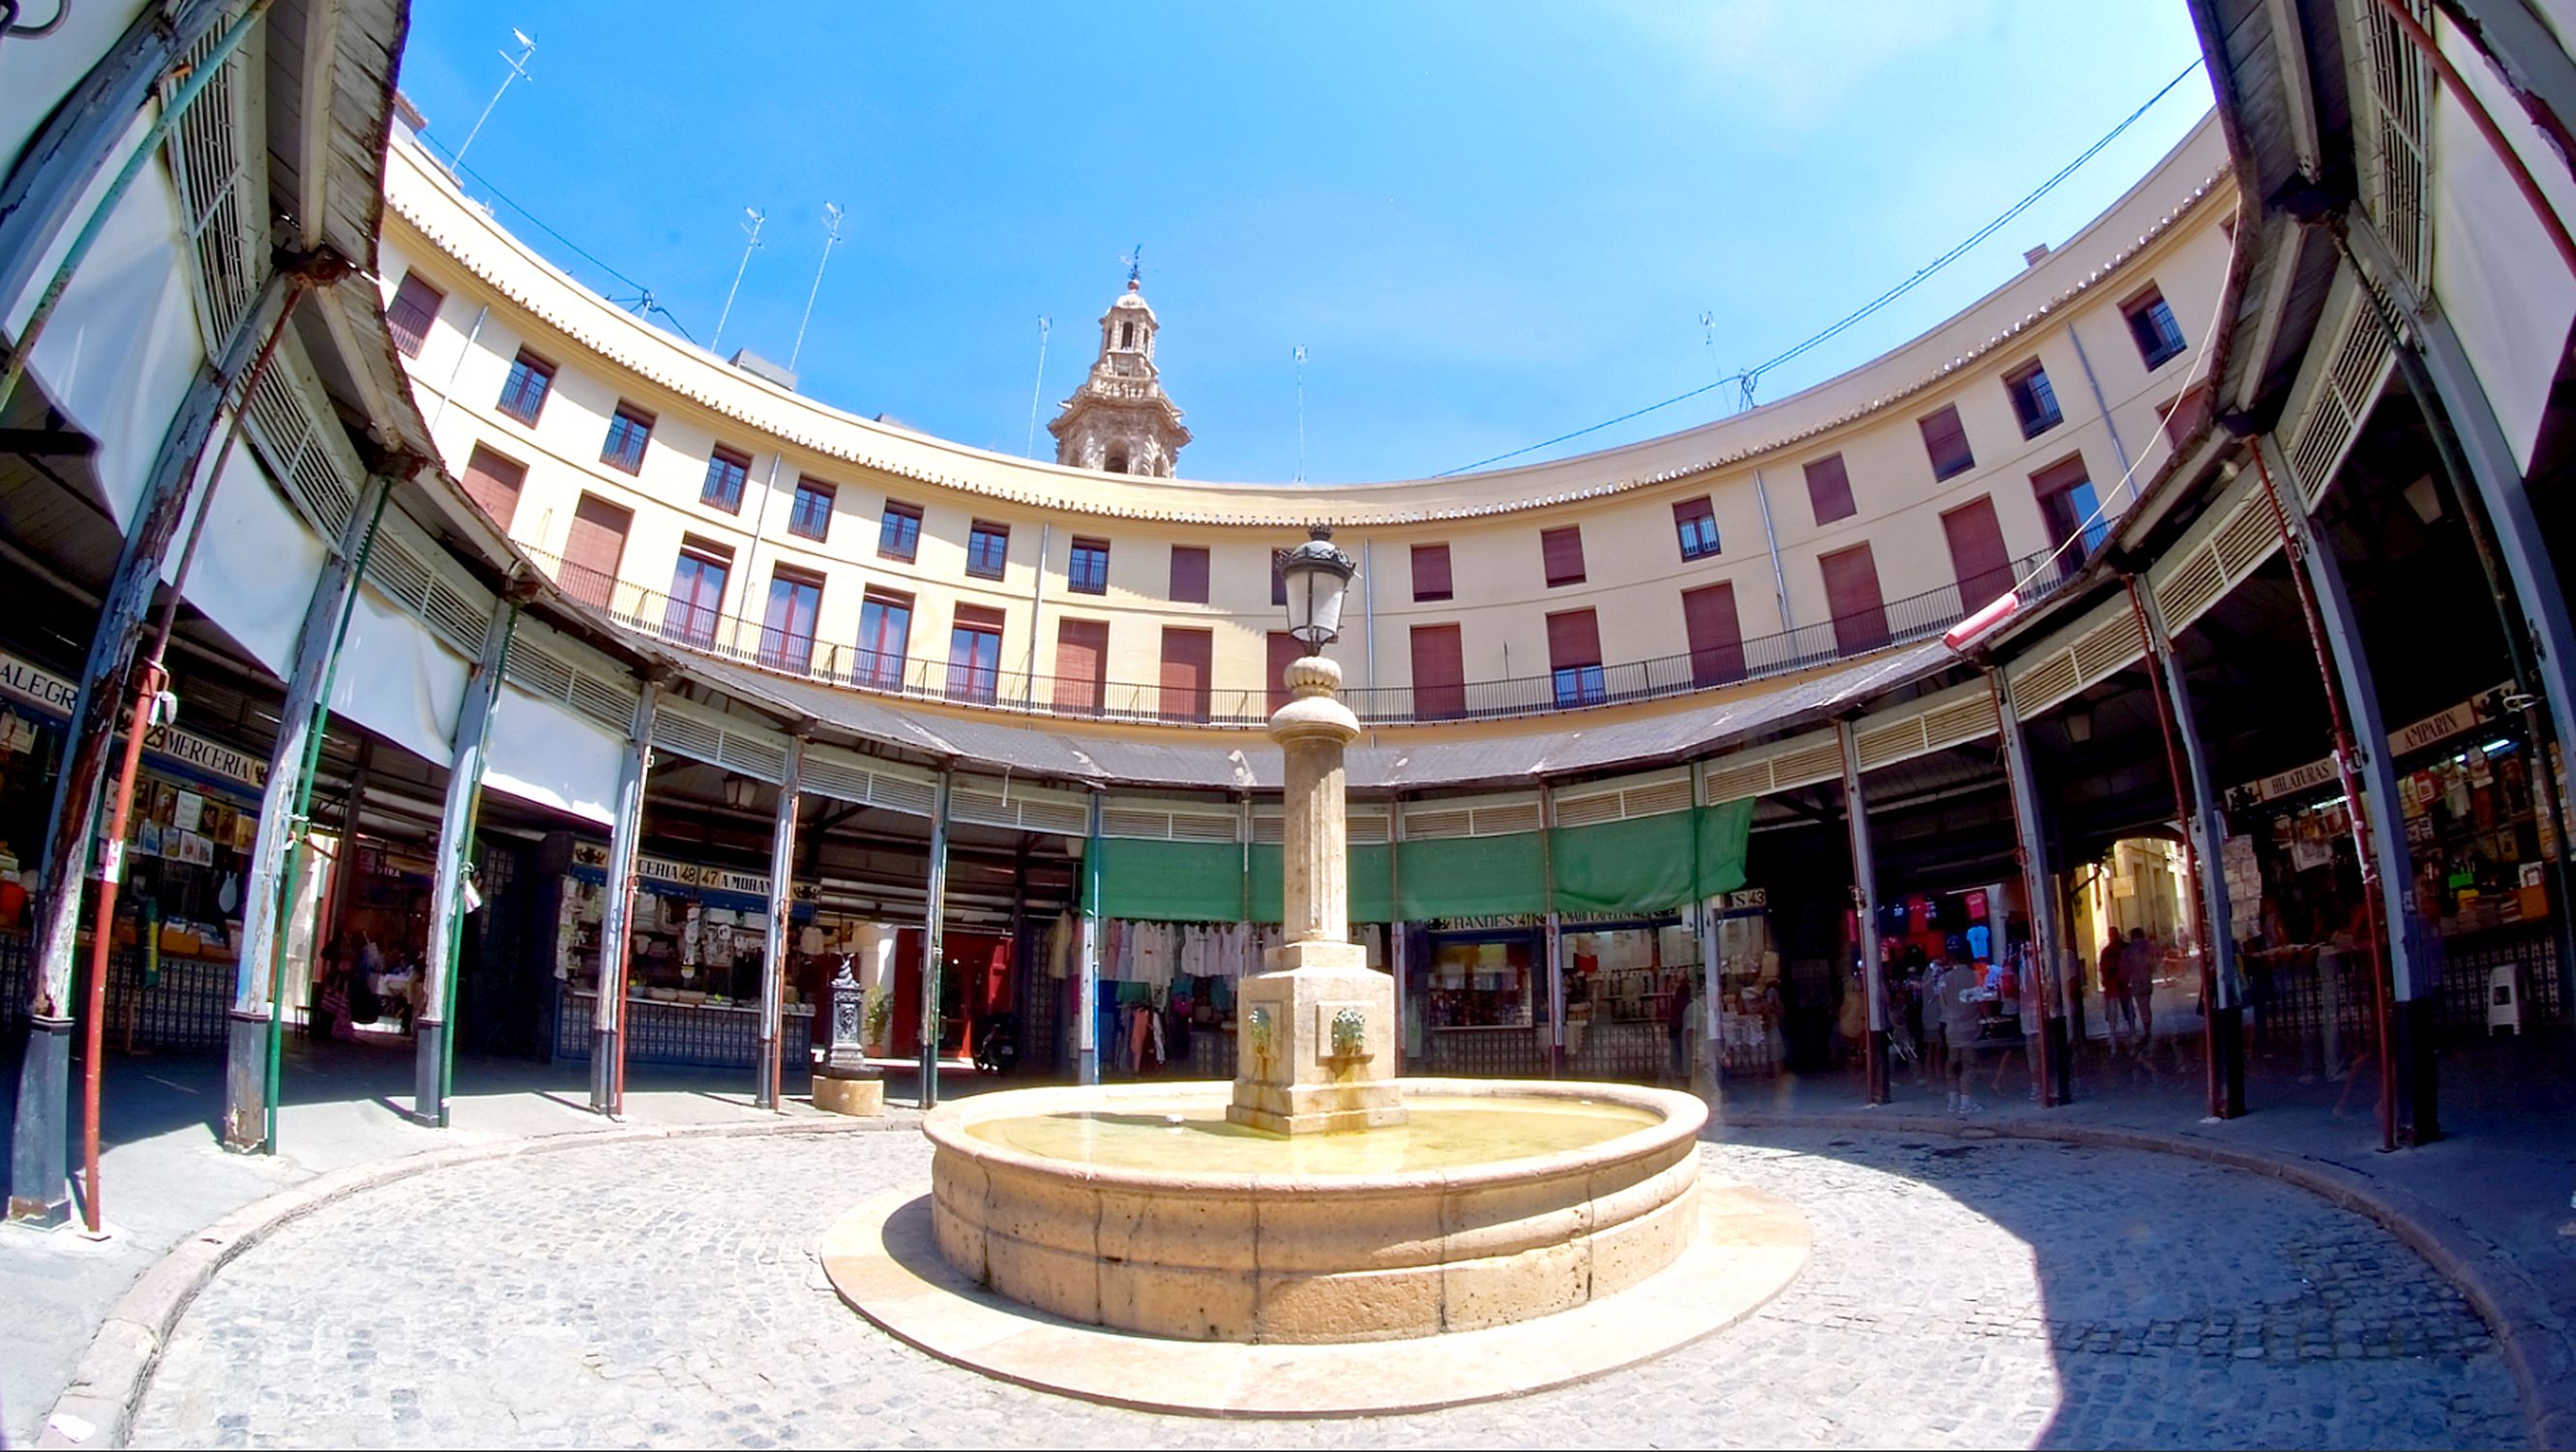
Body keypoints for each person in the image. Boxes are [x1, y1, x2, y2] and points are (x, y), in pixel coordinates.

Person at [1940, 955, 1990, 1114]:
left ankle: (1952, 1102)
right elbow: (1981, 1001)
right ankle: (1966, 1103)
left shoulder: (1944, 978)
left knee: (1952, 1064)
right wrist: (1989, 1019)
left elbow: (1943, 1002)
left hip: (1951, 1029)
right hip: (1969, 1028)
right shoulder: (1974, 976)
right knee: (1968, 1065)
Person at [2120, 928, 2161, 1060]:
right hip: (2147, 980)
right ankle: (2147, 1027)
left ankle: (2146, 1029)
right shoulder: (2149, 947)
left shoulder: (2128, 951)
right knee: (2146, 1005)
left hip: (2136, 982)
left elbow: (2124, 968)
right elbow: (2155, 962)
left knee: (2142, 1005)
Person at [2098, 930, 2132, 1052]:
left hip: (2117, 986)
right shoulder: (2118, 949)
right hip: (2116, 986)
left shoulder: (2110, 951)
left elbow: (2103, 968)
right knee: (2119, 1012)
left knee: (2122, 1011)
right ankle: (2121, 1036)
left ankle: (2119, 1037)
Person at [1664, 971, 1694, 1083]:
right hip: (1681, 1031)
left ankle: (1680, 1077)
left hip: (1675, 1031)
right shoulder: (1688, 1004)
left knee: (1678, 1060)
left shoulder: (1676, 1002)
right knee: (1685, 1058)